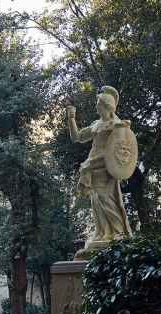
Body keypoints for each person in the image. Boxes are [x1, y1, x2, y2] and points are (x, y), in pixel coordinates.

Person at [66, 86, 133, 258]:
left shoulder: (116, 125)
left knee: (106, 200)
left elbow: (122, 146)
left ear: (107, 106)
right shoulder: (96, 124)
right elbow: (77, 137)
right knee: (96, 201)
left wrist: (123, 126)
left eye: (98, 103)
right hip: (92, 167)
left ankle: (117, 232)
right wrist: (71, 117)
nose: (96, 106)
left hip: (105, 166)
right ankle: (103, 233)